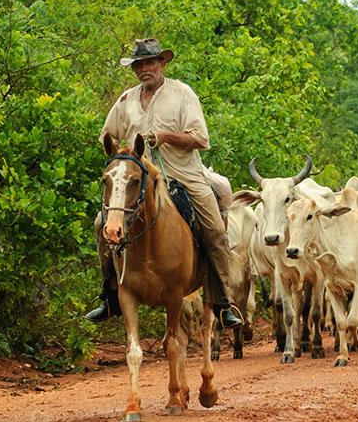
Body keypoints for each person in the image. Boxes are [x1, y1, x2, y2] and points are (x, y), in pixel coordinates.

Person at [85, 38, 242, 330]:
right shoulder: (126, 100)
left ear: (162, 63)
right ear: (134, 69)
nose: (145, 69)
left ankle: (223, 301)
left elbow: (201, 139)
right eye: (139, 65)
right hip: (138, 178)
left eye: (150, 62)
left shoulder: (182, 94)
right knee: (100, 223)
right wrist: (124, 154)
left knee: (214, 230)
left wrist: (167, 136)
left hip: (183, 174)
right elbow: (108, 136)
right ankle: (109, 296)